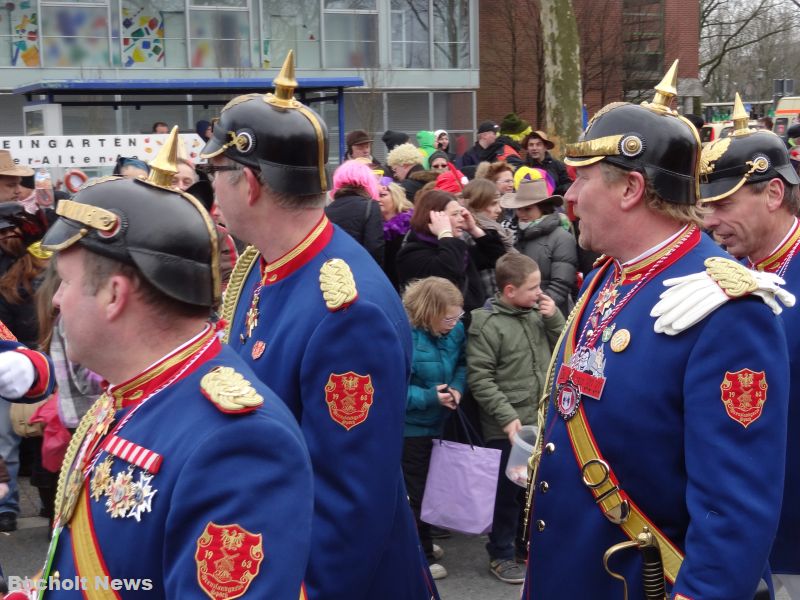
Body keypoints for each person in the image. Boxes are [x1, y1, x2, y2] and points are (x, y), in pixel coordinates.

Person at [522, 64, 792, 599]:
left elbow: (733, 512)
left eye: (581, 179)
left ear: (631, 189)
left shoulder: (726, 308)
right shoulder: (609, 271)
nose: (569, 199)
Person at [199, 52, 439, 599]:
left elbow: (350, 501)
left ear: (251, 183)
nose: (212, 193)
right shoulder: (263, 266)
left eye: (217, 175)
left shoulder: (346, 311)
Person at [35, 131, 313, 598]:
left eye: (64, 281)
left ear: (113, 295)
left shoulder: (237, 441)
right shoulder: (137, 390)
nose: (57, 300)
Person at [699, 93, 800, 598]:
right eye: (706, 205)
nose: (710, 220)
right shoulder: (718, 274)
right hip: (732, 532)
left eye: (723, 204)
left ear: (774, 194)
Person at [467, 253, 564, 585]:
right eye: (533, 288)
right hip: (506, 428)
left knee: (532, 490)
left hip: (538, 419)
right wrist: (507, 418)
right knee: (507, 495)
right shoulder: (487, 324)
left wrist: (553, 319)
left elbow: (564, 346)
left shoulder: (538, 314)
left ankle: (525, 546)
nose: (540, 293)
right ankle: (501, 553)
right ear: (509, 290)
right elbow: (480, 378)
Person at [401, 276, 466, 582]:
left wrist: (456, 387)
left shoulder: (455, 331)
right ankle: (421, 555)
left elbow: (463, 363)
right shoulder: (404, 336)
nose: (455, 323)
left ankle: (423, 542)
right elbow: (390, 390)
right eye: (449, 317)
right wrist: (429, 397)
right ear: (428, 313)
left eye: (458, 316)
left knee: (432, 488)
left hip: (440, 424)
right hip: (411, 430)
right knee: (417, 492)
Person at [395, 189, 506, 317]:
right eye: (454, 214)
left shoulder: (454, 247)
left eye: (461, 213)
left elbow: (497, 257)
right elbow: (448, 273)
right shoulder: (412, 253)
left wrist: (474, 229)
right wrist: (445, 234)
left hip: (471, 323)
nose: (461, 219)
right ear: (434, 218)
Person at [500, 179, 578, 317]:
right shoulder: (513, 234)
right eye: (519, 208)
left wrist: (535, 309)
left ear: (543, 208)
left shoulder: (561, 238)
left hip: (549, 316)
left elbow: (561, 285)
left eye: (528, 208)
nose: (521, 214)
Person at [324, 160, 384, 265]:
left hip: (334, 272)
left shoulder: (327, 210)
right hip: (360, 269)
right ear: (368, 182)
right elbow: (375, 247)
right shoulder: (370, 206)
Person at [377, 179, 414, 290]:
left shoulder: (411, 223)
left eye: (382, 195)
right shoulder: (372, 225)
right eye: (374, 196)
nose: (377, 199)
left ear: (396, 196)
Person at [458, 121, 522, 176]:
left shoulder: (498, 151)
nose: (497, 136)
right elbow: (464, 175)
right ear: (484, 135)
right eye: (494, 133)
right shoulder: (469, 155)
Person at [522, 130, 573, 195]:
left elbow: (568, 185)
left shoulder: (557, 165)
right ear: (527, 148)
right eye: (531, 145)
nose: (534, 148)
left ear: (545, 147)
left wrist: (552, 191)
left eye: (538, 144)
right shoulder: (523, 168)